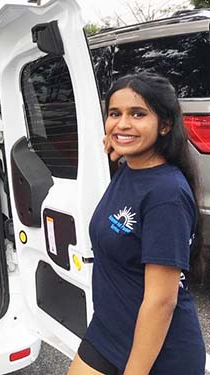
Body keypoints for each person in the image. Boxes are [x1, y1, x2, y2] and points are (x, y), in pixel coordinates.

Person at [67, 72, 206, 375]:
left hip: (160, 353)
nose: (123, 123)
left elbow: (161, 301)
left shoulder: (166, 194)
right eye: (114, 114)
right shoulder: (131, 169)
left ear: (165, 125)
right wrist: (115, 148)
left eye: (138, 114)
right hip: (107, 332)